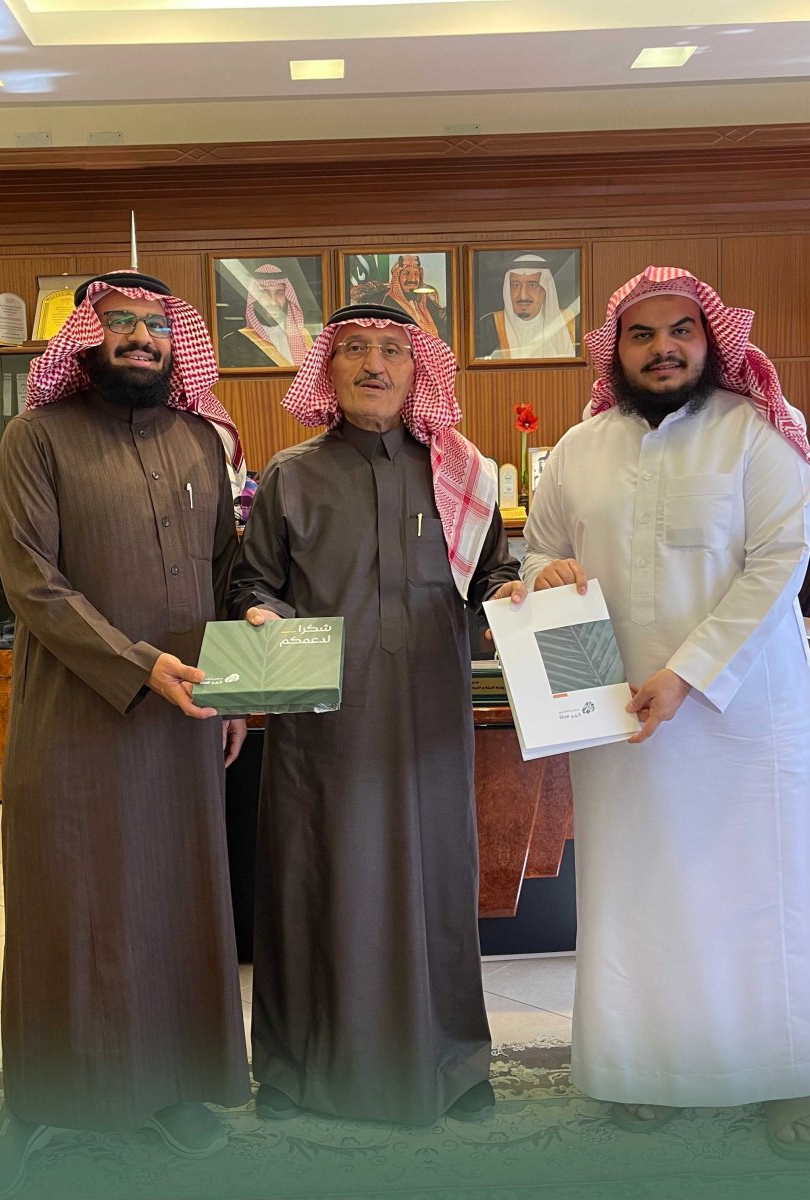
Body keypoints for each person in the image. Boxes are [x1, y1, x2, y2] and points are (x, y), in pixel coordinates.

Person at [519, 266, 810, 1158]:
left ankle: (790, 1078)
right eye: (642, 334)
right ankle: (648, 1071)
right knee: (640, 899)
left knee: (767, 899)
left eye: (681, 330)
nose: (663, 348)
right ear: (616, 351)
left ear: (711, 341)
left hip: (743, 719)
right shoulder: (578, 449)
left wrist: (686, 674)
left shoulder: (758, 437)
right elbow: (536, 555)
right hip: (621, 722)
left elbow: (779, 567)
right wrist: (543, 574)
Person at [0, 269, 251, 1197]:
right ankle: (39, 1099)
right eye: (120, 322)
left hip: (185, 721)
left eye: (156, 325)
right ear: (86, 341)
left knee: (176, 900)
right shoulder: (35, 436)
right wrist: (138, 664)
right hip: (74, 718)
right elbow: (32, 580)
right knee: (71, 905)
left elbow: (224, 576)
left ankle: (172, 1086)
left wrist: (235, 691)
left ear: (178, 344)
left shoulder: (202, 441)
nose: (141, 337)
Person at [228, 302, 522, 1127]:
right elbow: (251, 582)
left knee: (437, 886)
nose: (373, 364)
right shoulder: (290, 475)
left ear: (417, 371)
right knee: (314, 885)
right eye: (354, 348)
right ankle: (292, 1072)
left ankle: (454, 1066)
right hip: (320, 730)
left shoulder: (461, 472)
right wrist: (258, 612)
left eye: (392, 349)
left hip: (428, 727)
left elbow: (492, 576)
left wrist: (513, 595)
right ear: (327, 369)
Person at [475, 253, 577, 360]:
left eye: (532, 285)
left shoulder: (569, 322)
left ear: (545, 290)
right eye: (516, 285)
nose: (523, 295)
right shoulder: (490, 325)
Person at [219, 262, 314, 368]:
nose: (272, 302)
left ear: (287, 298)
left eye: (279, 293)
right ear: (254, 298)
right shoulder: (233, 342)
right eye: (264, 293)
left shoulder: (304, 337)